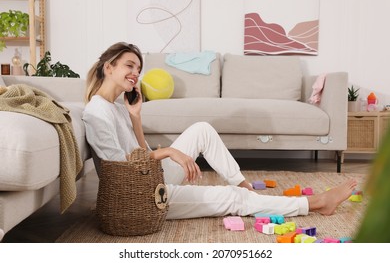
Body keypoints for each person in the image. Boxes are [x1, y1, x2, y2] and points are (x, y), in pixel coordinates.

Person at [82, 42, 357, 220]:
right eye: (130, 65)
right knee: (233, 201)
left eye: (138, 68)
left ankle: (244, 185)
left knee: (202, 129)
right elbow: (118, 168)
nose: (135, 73)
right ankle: (317, 202)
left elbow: (140, 154)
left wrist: (136, 119)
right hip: (141, 197)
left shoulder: (118, 108)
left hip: (148, 177)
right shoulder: (97, 111)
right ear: (109, 67)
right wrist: (168, 151)